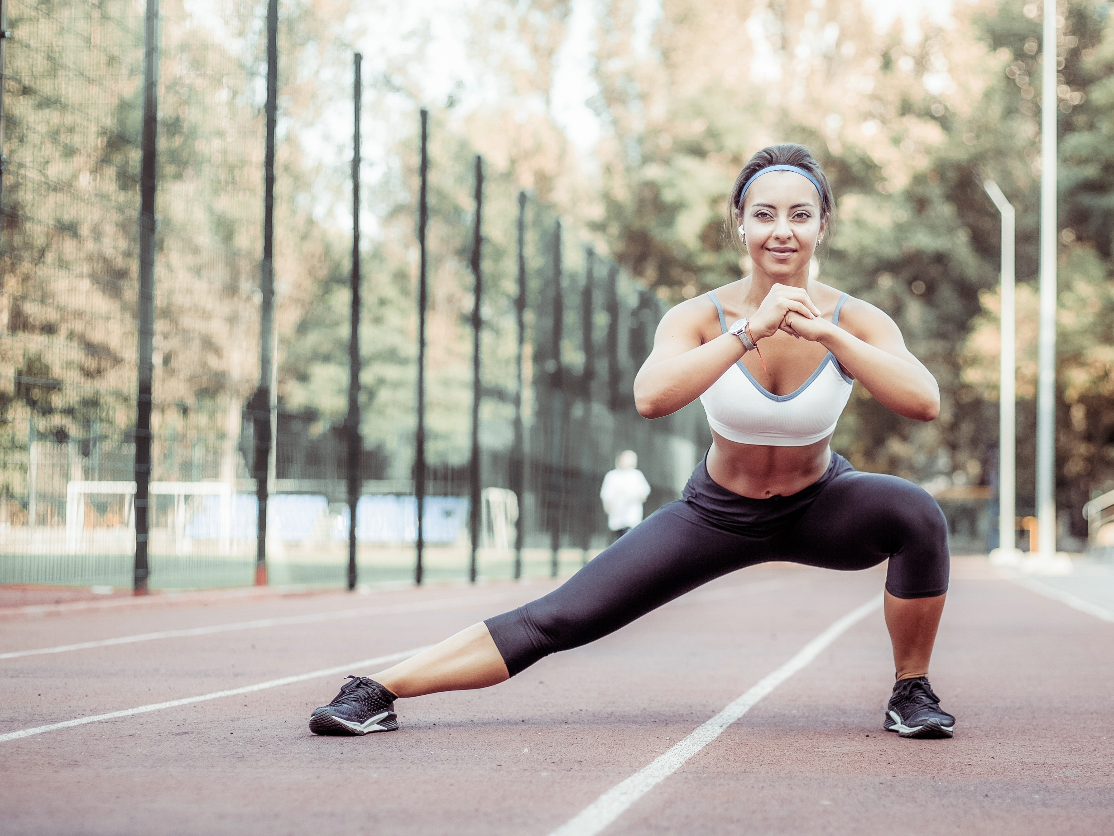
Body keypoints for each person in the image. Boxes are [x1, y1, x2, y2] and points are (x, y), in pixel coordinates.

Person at [309, 144, 955, 741]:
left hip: (821, 505)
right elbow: (652, 396)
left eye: (799, 214)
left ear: (822, 226)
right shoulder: (699, 317)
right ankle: (376, 688)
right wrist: (747, 333)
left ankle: (911, 689)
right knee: (560, 616)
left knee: (916, 513)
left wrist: (831, 336)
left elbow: (922, 400)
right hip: (716, 514)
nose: (781, 229)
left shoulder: (855, 318)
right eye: (764, 214)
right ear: (741, 224)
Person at [600, 450, 652, 544]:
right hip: (616, 518)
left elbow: (644, 493)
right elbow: (606, 495)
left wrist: (633, 497)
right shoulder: (612, 476)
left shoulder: (636, 475)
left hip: (631, 518)